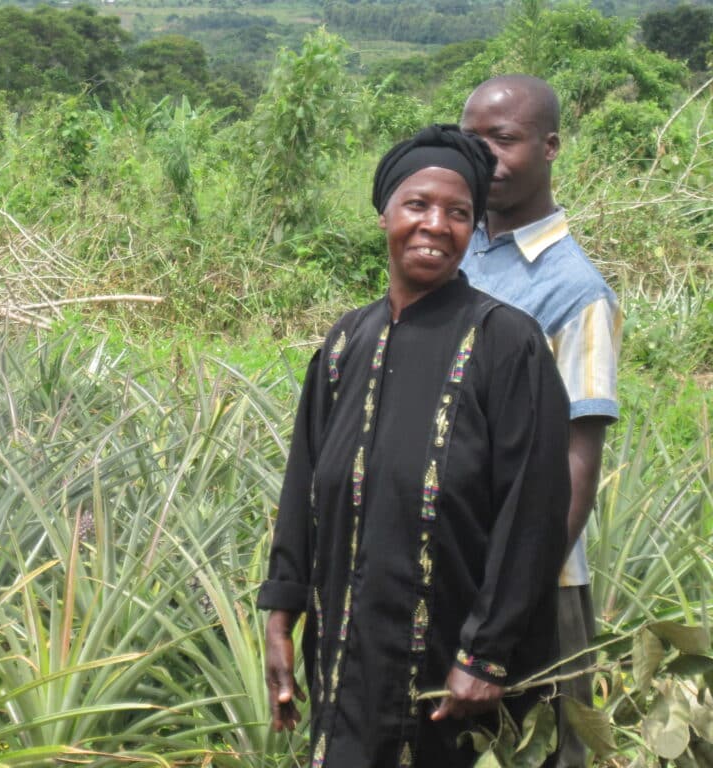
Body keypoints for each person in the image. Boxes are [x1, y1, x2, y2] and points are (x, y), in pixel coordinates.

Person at [258, 124, 571, 767]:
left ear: (474, 229)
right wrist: (280, 617)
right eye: (418, 205)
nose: (436, 224)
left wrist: (485, 655)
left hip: (451, 682)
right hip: (346, 660)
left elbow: (532, 512)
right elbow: (304, 486)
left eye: (458, 213)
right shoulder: (346, 345)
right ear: (384, 217)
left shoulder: (506, 344)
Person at [460, 75, 622, 768]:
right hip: (452, 571)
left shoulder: (575, 289)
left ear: (550, 146)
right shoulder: (454, 248)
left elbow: (575, 466)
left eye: (505, 140)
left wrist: (510, 607)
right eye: (472, 141)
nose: (486, 157)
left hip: (536, 593)